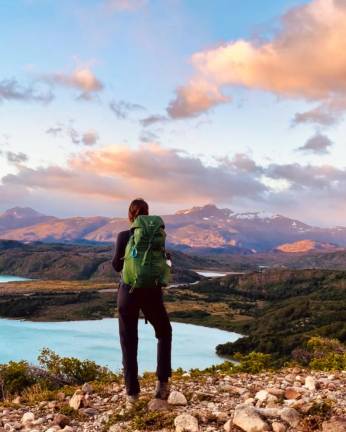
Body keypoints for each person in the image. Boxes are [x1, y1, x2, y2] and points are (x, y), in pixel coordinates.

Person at [112, 198, 172, 403]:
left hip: (128, 293)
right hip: (152, 292)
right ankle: (162, 385)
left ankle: (132, 395)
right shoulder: (157, 237)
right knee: (164, 333)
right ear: (148, 214)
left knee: (129, 342)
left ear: (130, 216)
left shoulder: (123, 236)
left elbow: (116, 267)